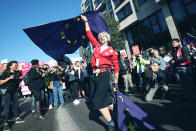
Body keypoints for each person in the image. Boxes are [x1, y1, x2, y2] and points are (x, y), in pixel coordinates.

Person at [81, 15, 119, 131]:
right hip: (95, 75)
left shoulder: (111, 51)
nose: (100, 37)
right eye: (99, 36)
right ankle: (122, 113)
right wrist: (86, 21)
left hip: (104, 74)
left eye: (103, 36)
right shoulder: (96, 46)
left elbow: (116, 66)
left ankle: (111, 124)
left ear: (107, 38)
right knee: (106, 100)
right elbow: (89, 34)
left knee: (98, 102)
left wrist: (115, 80)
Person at [0, 61, 24, 130]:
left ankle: (17, 118)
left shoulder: (18, 73)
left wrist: (21, 78)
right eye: (15, 65)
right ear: (10, 66)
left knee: (16, 105)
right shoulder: (6, 73)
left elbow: (19, 81)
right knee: (7, 107)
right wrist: (9, 78)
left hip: (15, 91)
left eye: (16, 65)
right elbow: (0, 82)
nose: (16, 66)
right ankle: (5, 123)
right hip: (7, 92)